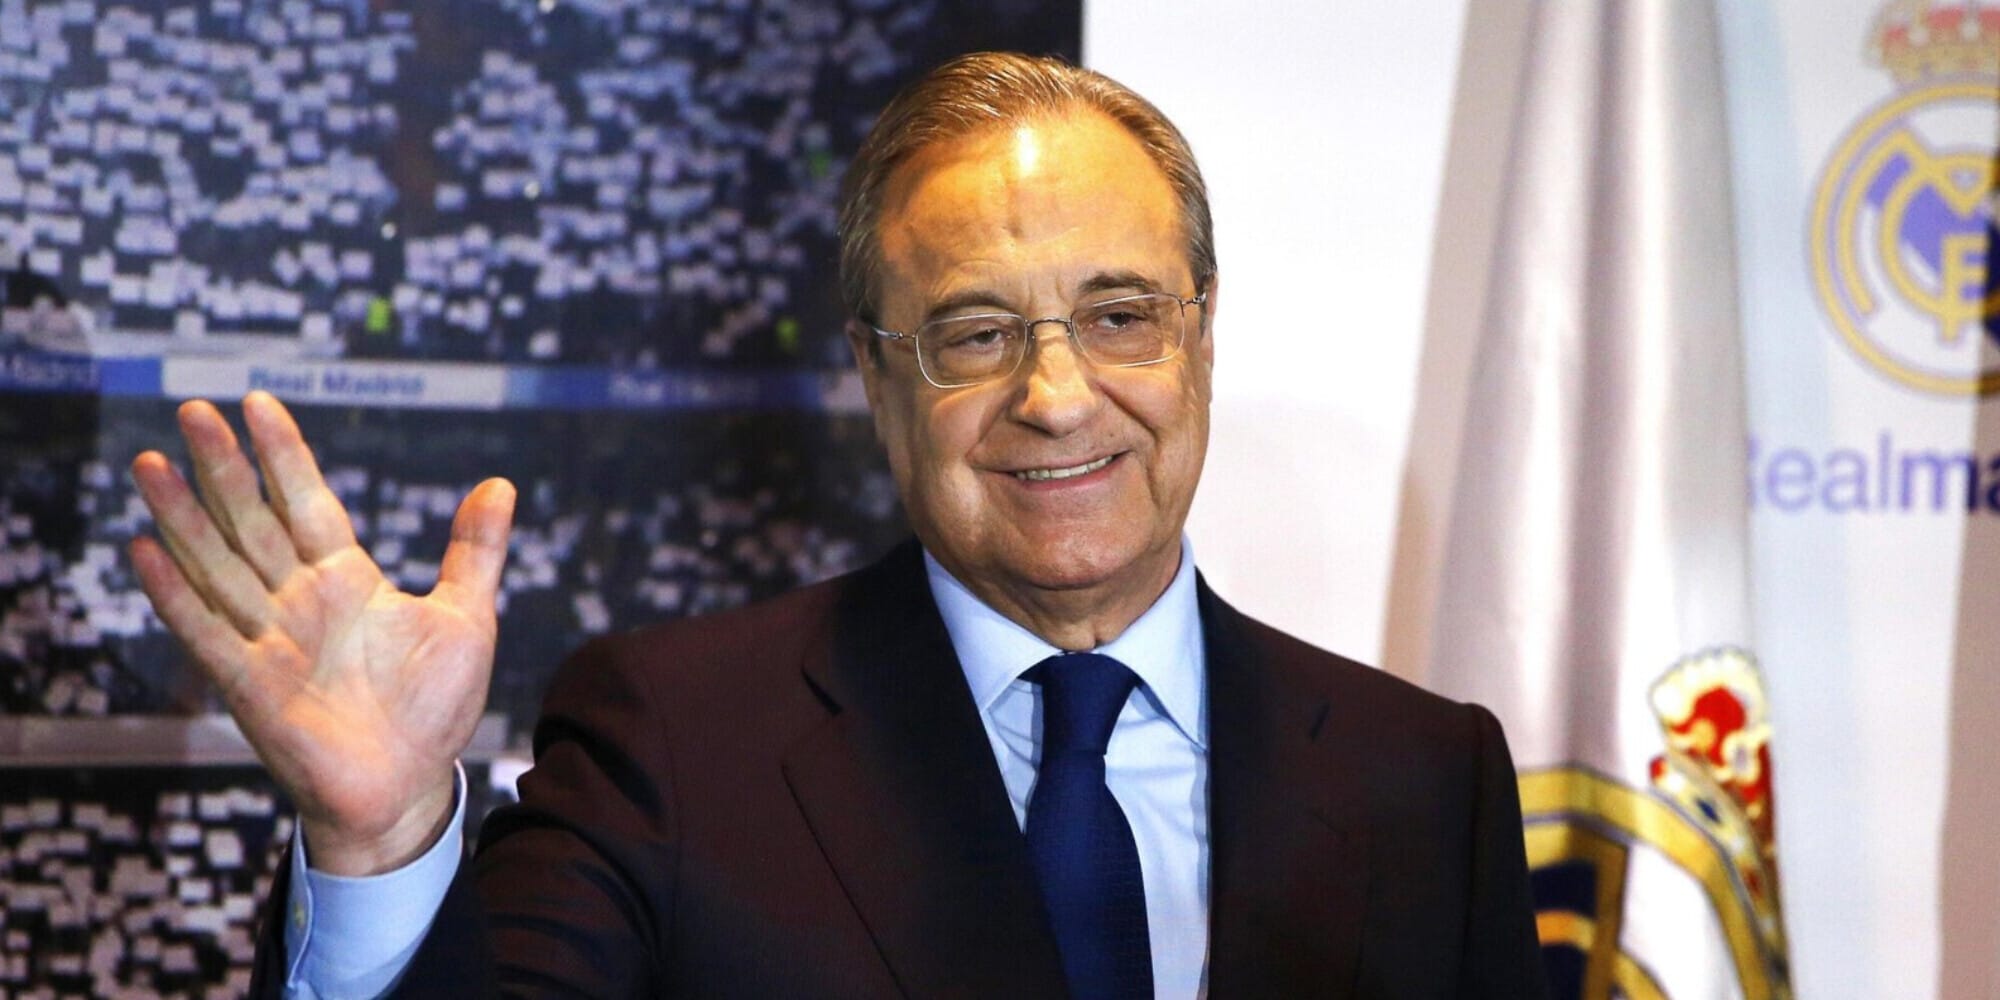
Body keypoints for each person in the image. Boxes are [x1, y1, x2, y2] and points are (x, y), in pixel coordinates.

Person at [130, 53, 1548, 998]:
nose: (1058, 397)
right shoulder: (672, 744)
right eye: (975, 334)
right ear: (878, 378)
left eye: (1121, 315)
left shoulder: (1429, 780)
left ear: (1202, 336)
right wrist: (382, 842)